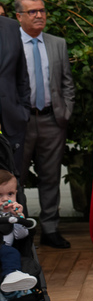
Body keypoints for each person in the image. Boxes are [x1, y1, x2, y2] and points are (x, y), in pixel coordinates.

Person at [14, 0, 74, 249]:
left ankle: (50, 230)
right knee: (15, 179)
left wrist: (66, 111)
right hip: (20, 123)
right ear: (18, 16)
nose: (39, 15)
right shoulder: (10, 43)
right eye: (32, 12)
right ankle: (19, 231)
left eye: (42, 11)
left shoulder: (57, 43)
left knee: (51, 177)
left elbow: (67, 82)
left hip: (52, 120)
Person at [0, 15, 30, 180]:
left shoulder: (11, 26)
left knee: (13, 180)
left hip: (11, 119)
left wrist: (22, 111)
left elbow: (22, 75)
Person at [0, 171, 38, 293]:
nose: (6, 199)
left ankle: (15, 280)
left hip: (5, 252)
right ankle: (12, 273)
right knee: (10, 253)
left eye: (10, 194)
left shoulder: (12, 214)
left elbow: (20, 236)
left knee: (13, 253)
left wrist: (19, 219)